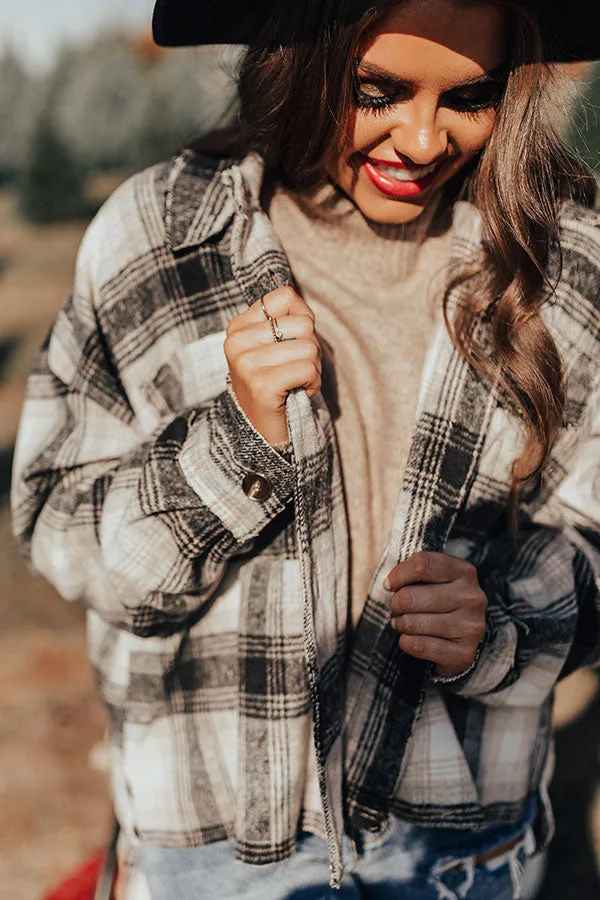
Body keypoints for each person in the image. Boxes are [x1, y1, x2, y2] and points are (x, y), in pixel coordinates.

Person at [11, 1, 600, 898]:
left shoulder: (566, 261)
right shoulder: (159, 236)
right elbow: (57, 525)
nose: (421, 138)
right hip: (208, 854)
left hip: (459, 854)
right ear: (298, 57)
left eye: (468, 96)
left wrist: (505, 620)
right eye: (379, 91)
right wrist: (228, 450)